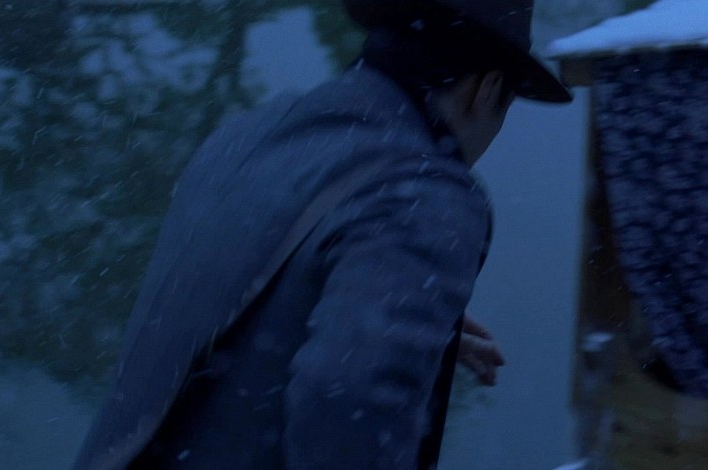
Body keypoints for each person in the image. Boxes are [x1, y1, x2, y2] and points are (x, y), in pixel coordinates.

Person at [73, 1, 571, 469]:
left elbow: (221, 291)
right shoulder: (427, 193)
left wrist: (392, 313)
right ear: (487, 89)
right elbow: (352, 404)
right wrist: (384, 329)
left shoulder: (247, 135)